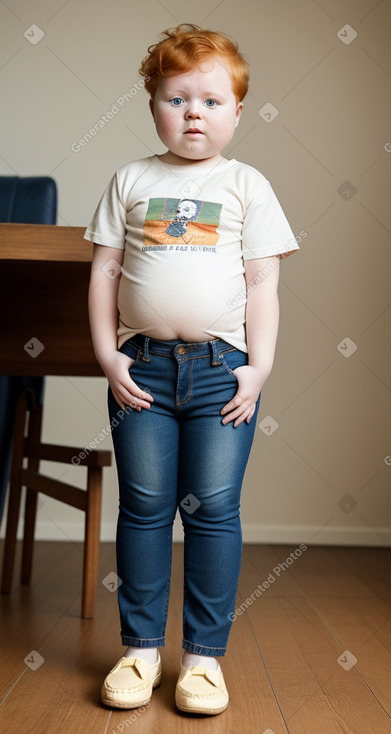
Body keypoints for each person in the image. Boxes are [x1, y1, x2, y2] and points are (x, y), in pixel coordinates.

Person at [85, 23, 299, 716]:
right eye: (176, 99)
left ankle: (203, 661)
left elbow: (262, 285)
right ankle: (140, 649)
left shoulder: (246, 185)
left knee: (211, 512)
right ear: (152, 106)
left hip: (221, 373)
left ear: (237, 110)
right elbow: (105, 272)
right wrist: (106, 354)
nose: (193, 114)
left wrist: (257, 367)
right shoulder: (131, 179)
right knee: (144, 509)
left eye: (210, 101)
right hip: (140, 370)